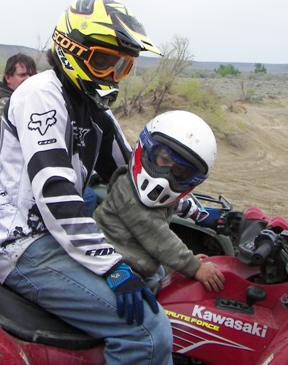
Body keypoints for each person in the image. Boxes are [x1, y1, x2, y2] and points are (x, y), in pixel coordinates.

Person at [0, 0, 173, 364]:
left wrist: (199, 210)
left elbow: (134, 174)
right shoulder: (40, 94)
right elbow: (54, 189)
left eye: (120, 65)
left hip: (58, 239)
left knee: (159, 277)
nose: (111, 75)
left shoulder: (90, 105)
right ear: (71, 48)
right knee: (147, 332)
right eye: (103, 61)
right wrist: (112, 266)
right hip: (24, 245)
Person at [94, 110, 226, 294]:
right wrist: (194, 266)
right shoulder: (128, 190)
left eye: (180, 171)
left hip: (137, 262)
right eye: (164, 159)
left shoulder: (153, 194)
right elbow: (158, 236)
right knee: (155, 321)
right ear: (147, 148)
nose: (166, 176)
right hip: (114, 266)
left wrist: (197, 215)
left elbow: (166, 216)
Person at [0, 53, 36, 171]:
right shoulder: (4, 106)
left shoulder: (17, 101)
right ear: (8, 78)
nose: (28, 79)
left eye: (32, 75)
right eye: (22, 75)